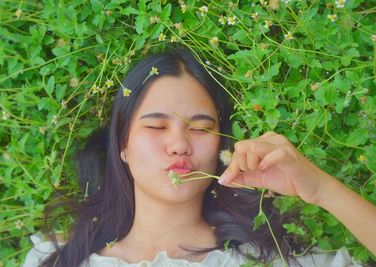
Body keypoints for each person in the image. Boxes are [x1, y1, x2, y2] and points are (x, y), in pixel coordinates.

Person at [23, 48, 375, 267]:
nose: (179, 144)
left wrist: (321, 190)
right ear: (122, 146)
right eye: (157, 126)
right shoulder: (55, 259)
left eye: (201, 128)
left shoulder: (269, 261)